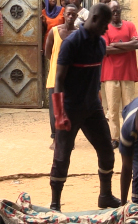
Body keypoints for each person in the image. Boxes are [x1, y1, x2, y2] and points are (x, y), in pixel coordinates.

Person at [50, 3, 120, 211]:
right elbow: (59, 80)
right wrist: (59, 114)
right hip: (70, 109)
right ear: (96, 18)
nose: (107, 29)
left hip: (92, 108)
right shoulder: (71, 43)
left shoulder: (99, 44)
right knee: (62, 156)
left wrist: (96, 99)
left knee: (107, 151)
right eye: (105, 24)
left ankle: (105, 196)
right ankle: (55, 204)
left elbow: (94, 77)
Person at [102, 0, 138, 149]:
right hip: (110, 74)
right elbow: (105, 50)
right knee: (112, 109)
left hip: (128, 73)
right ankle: (115, 138)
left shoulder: (129, 25)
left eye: (118, 10)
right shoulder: (105, 28)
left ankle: (129, 136)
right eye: (113, 11)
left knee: (130, 108)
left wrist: (116, 44)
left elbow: (137, 44)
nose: (116, 13)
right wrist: (127, 45)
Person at [45, 4, 78, 150]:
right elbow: (47, 53)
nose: (70, 17)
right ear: (64, 15)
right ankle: (55, 138)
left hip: (72, 79)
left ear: (77, 16)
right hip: (55, 77)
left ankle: (69, 139)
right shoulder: (54, 31)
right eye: (68, 14)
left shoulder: (78, 34)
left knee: (70, 110)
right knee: (55, 110)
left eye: (73, 15)